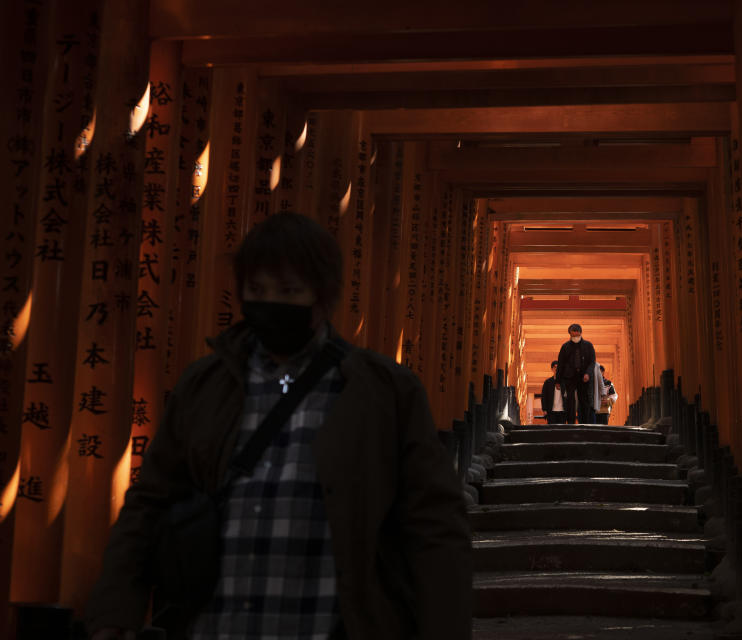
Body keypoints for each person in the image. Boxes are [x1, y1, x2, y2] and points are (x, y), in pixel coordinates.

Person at [86, 213, 472, 640]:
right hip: (216, 624)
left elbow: (434, 524)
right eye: (257, 290)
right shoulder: (207, 385)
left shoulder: (383, 392)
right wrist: (115, 610)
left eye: (289, 291)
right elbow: (150, 502)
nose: (270, 304)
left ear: (323, 297)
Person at [555, 323, 596, 425]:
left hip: (583, 376)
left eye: (577, 335)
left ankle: (585, 422)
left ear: (581, 333)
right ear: (570, 335)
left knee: (584, 400)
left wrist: (588, 374)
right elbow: (561, 364)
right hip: (569, 377)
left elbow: (592, 362)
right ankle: (571, 422)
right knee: (570, 400)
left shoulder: (588, 345)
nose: (575, 338)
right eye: (573, 336)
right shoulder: (565, 347)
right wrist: (558, 380)